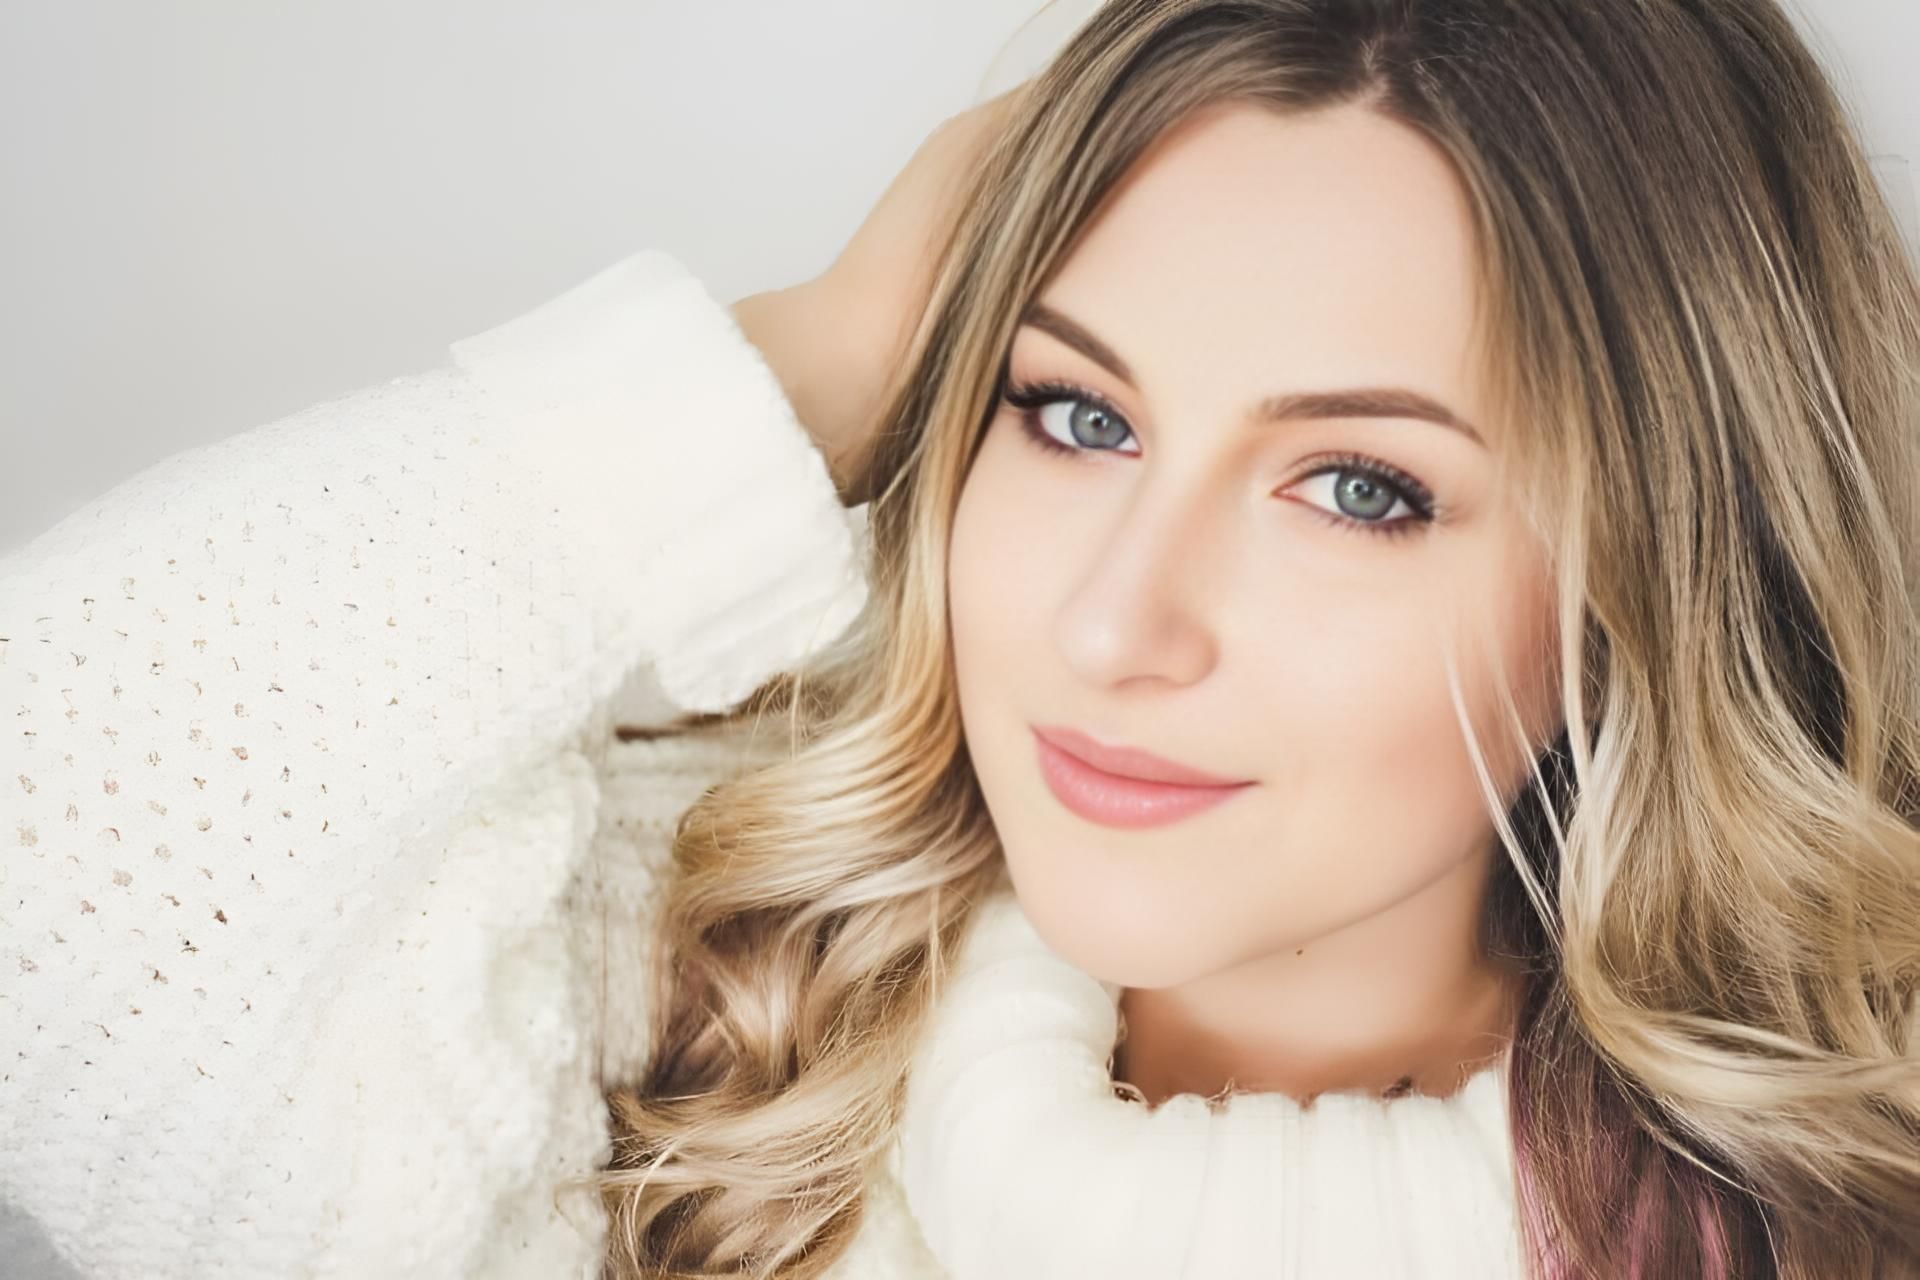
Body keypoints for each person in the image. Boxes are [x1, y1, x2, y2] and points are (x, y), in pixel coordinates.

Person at [2, 1, 1915, 1278]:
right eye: (1073, 416)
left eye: (1358, 487)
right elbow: (46, 831)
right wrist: (828, 347)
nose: (1110, 624)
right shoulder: (677, 1044)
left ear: (1661, 578)